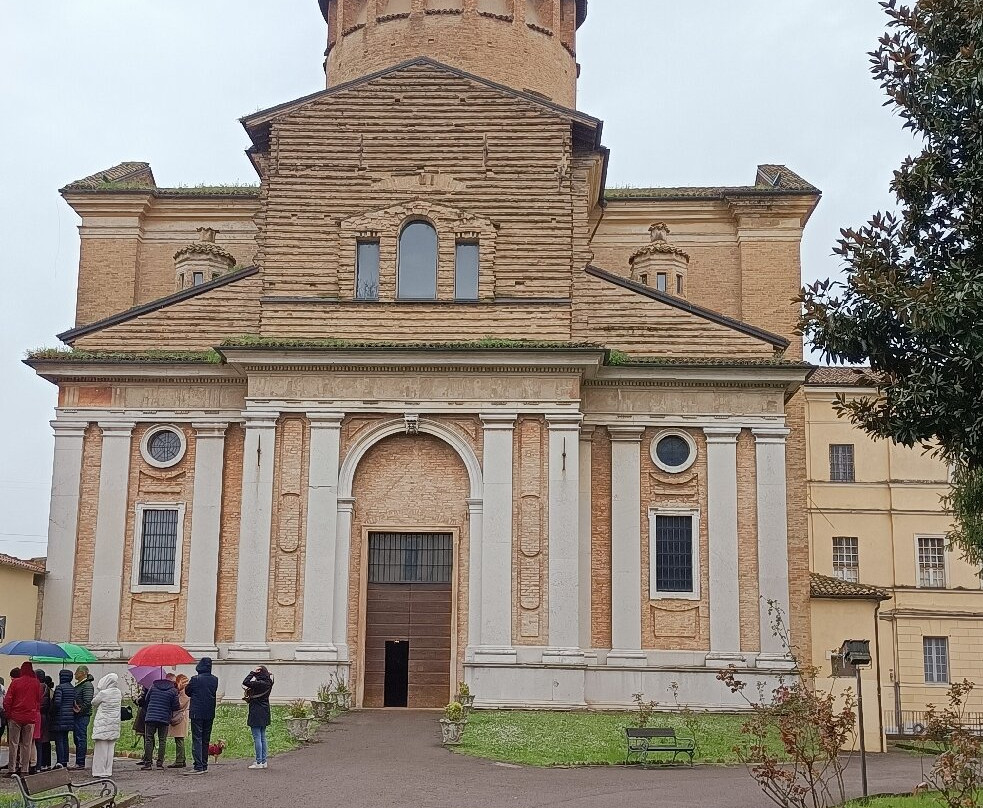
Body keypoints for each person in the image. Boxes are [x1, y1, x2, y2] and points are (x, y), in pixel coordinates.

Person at [2, 661, 41, 778]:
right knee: (27, 744)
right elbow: (39, 700)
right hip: (30, 717)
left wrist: (9, 714)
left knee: (13, 744)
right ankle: (25, 769)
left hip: (15, 717)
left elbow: (7, 700)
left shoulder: (16, 683)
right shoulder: (36, 683)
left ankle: (12, 769)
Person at [184, 657, 218, 776]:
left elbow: (188, 691)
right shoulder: (214, 679)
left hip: (197, 712)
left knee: (197, 738)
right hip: (209, 712)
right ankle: (204, 764)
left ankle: (198, 766)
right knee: (205, 739)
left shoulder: (195, 679)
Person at [140, 676, 179, 771]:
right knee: (162, 740)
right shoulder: (173, 691)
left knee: (149, 739)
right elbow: (176, 706)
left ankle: (148, 763)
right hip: (164, 718)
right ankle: (159, 763)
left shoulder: (153, 687)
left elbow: (147, 700)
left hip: (151, 717)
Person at [90, 673, 121, 778]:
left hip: (103, 724)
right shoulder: (118, 693)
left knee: (100, 749)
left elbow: (94, 703)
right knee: (110, 749)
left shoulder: (103, 693)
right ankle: (108, 771)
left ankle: (99, 771)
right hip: (113, 725)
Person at [242, 667, 273, 770]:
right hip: (265, 711)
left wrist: (252, 672)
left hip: (256, 711)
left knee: (257, 737)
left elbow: (245, 682)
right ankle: (264, 761)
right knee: (263, 737)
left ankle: (258, 761)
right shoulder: (269, 682)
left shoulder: (258, 684)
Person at [50, 670, 76, 769]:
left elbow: (57, 703)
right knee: (65, 740)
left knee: (59, 740)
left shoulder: (59, 688)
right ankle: (65, 760)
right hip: (69, 717)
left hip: (60, 717)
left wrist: (53, 712)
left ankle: (60, 761)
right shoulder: (72, 688)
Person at [71, 666, 94, 770]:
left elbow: (87, 701)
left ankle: (80, 762)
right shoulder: (80, 685)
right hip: (78, 715)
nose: (75, 674)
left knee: (81, 738)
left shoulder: (87, 685)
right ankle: (79, 761)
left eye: (77, 672)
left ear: (82, 673)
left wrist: (79, 710)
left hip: (82, 716)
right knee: (77, 738)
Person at [166, 674, 190, 769]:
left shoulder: (184, 693)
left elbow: (180, 705)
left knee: (179, 738)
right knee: (178, 738)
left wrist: (172, 701)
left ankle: (179, 760)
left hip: (180, 717)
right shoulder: (182, 691)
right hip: (181, 716)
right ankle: (181, 759)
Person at [34, 670, 52, 771]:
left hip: (38, 715)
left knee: (38, 741)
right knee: (44, 741)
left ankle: (38, 764)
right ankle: (45, 763)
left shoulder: (38, 686)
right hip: (45, 716)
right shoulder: (47, 688)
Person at [133, 686, 149, 767]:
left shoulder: (146, 687)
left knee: (146, 737)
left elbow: (142, 701)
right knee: (149, 737)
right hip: (152, 713)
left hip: (145, 713)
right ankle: (147, 757)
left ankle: (147, 758)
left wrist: (136, 699)